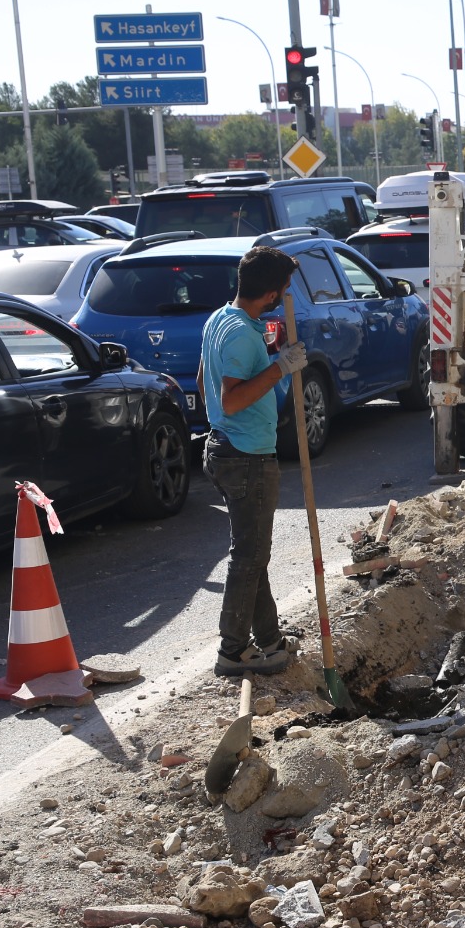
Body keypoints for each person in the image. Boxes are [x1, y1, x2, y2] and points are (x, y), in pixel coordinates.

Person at [200, 247, 309, 677]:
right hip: (245, 456)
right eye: (283, 292)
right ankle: (232, 650)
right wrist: (280, 368)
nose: (285, 298)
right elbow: (232, 399)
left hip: (229, 447)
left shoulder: (222, 319)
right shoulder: (241, 334)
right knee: (248, 557)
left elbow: (206, 380)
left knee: (253, 553)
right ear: (269, 293)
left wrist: (271, 357)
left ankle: (270, 642)